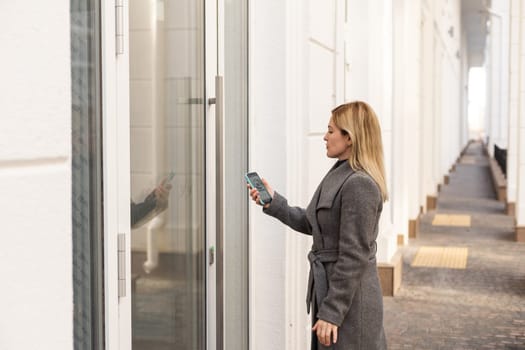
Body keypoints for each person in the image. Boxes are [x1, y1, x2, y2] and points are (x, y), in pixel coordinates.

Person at [248, 101, 388, 349]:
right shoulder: (341, 173)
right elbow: (316, 225)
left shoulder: (359, 184)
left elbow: (354, 255)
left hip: (350, 304)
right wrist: (275, 202)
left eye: (331, 130)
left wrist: (332, 312)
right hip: (334, 292)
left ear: (350, 138)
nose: (325, 136)